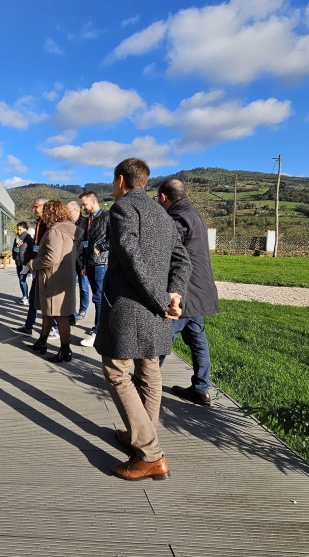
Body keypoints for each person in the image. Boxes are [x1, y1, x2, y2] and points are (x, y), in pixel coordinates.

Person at [94, 159, 191, 481]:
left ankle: (149, 454)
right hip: (157, 309)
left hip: (132, 307)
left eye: (112, 181)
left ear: (120, 180)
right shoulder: (161, 214)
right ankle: (141, 440)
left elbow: (131, 257)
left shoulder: (122, 210)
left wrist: (162, 299)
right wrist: (173, 294)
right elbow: (182, 259)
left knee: (117, 371)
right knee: (149, 371)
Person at [156, 179, 220, 406]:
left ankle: (146, 383)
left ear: (164, 197)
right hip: (200, 290)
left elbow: (167, 252)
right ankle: (201, 390)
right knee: (197, 341)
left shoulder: (176, 218)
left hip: (184, 291)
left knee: (162, 338)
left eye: (157, 199)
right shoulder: (194, 213)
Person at [28, 200, 83, 361]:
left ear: (50, 213)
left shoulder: (55, 231)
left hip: (53, 279)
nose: (42, 215)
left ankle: (65, 350)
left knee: (60, 315)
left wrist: (33, 264)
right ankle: (42, 342)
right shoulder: (67, 229)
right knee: (49, 313)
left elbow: (51, 258)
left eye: (45, 212)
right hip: (63, 277)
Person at [11, 197, 59, 339]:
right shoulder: (39, 223)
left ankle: (55, 327)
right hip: (37, 266)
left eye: (36, 206)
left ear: (44, 207)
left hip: (48, 268)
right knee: (33, 298)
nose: (34, 209)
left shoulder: (50, 224)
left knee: (49, 300)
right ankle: (28, 327)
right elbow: (36, 247)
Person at [79, 191, 111, 347]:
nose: (83, 207)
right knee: (97, 297)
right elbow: (86, 244)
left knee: (98, 298)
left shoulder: (106, 217)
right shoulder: (90, 220)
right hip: (91, 264)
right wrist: (85, 263)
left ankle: (98, 331)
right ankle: (102, 328)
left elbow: (116, 238)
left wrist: (101, 247)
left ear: (93, 201)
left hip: (101, 263)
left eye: (84, 204)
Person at [67, 201, 89, 323]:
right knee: (70, 287)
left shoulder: (86, 222)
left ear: (76, 210)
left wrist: (86, 261)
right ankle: (72, 311)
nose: (67, 214)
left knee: (83, 286)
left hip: (82, 259)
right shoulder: (67, 223)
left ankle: (83, 309)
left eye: (68, 211)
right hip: (70, 259)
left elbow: (87, 241)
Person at [12, 221, 34, 305]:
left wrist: (28, 260)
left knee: (22, 280)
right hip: (18, 262)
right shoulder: (17, 238)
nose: (18, 231)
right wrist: (15, 256)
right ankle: (24, 296)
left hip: (25, 263)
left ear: (25, 229)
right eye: (18, 230)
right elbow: (14, 249)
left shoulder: (28, 239)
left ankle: (26, 298)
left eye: (20, 230)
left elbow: (32, 251)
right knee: (20, 280)